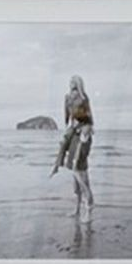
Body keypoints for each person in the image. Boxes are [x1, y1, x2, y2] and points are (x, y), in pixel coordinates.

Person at [49, 75, 95, 224]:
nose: (72, 85)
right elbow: (69, 119)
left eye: (75, 83)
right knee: (76, 175)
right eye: (71, 83)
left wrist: (85, 134)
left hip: (83, 134)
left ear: (79, 85)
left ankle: (89, 206)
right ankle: (77, 209)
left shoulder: (83, 98)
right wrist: (69, 130)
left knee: (78, 170)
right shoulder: (67, 98)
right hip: (73, 134)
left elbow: (87, 119)